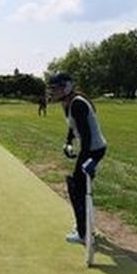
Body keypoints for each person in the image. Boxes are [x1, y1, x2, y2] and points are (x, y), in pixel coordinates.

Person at [48, 73, 107, 244]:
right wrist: (68, 142)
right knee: (80, 188)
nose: (53, 91)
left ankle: (83, 233)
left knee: (76, 189)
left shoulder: (78, 104)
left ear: (66, 87)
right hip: (92, 149)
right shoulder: (69, 103)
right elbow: (73, 127)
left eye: (56, 88)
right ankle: (86, 226)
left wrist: (87, 160)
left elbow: (87, 136)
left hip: (93, 149)